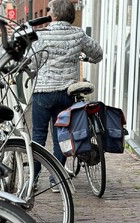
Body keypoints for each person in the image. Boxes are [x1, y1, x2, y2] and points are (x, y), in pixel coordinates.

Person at [31, 0, 103, 191]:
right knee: (60, 135)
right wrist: (86, 58)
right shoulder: (78, 34)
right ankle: (56, 179)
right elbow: (98, 54)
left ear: (54, 15)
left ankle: (33, 179)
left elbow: (31, 63)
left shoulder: (42, 35)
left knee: (38, 135)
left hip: (43, 92)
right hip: (66, 93)